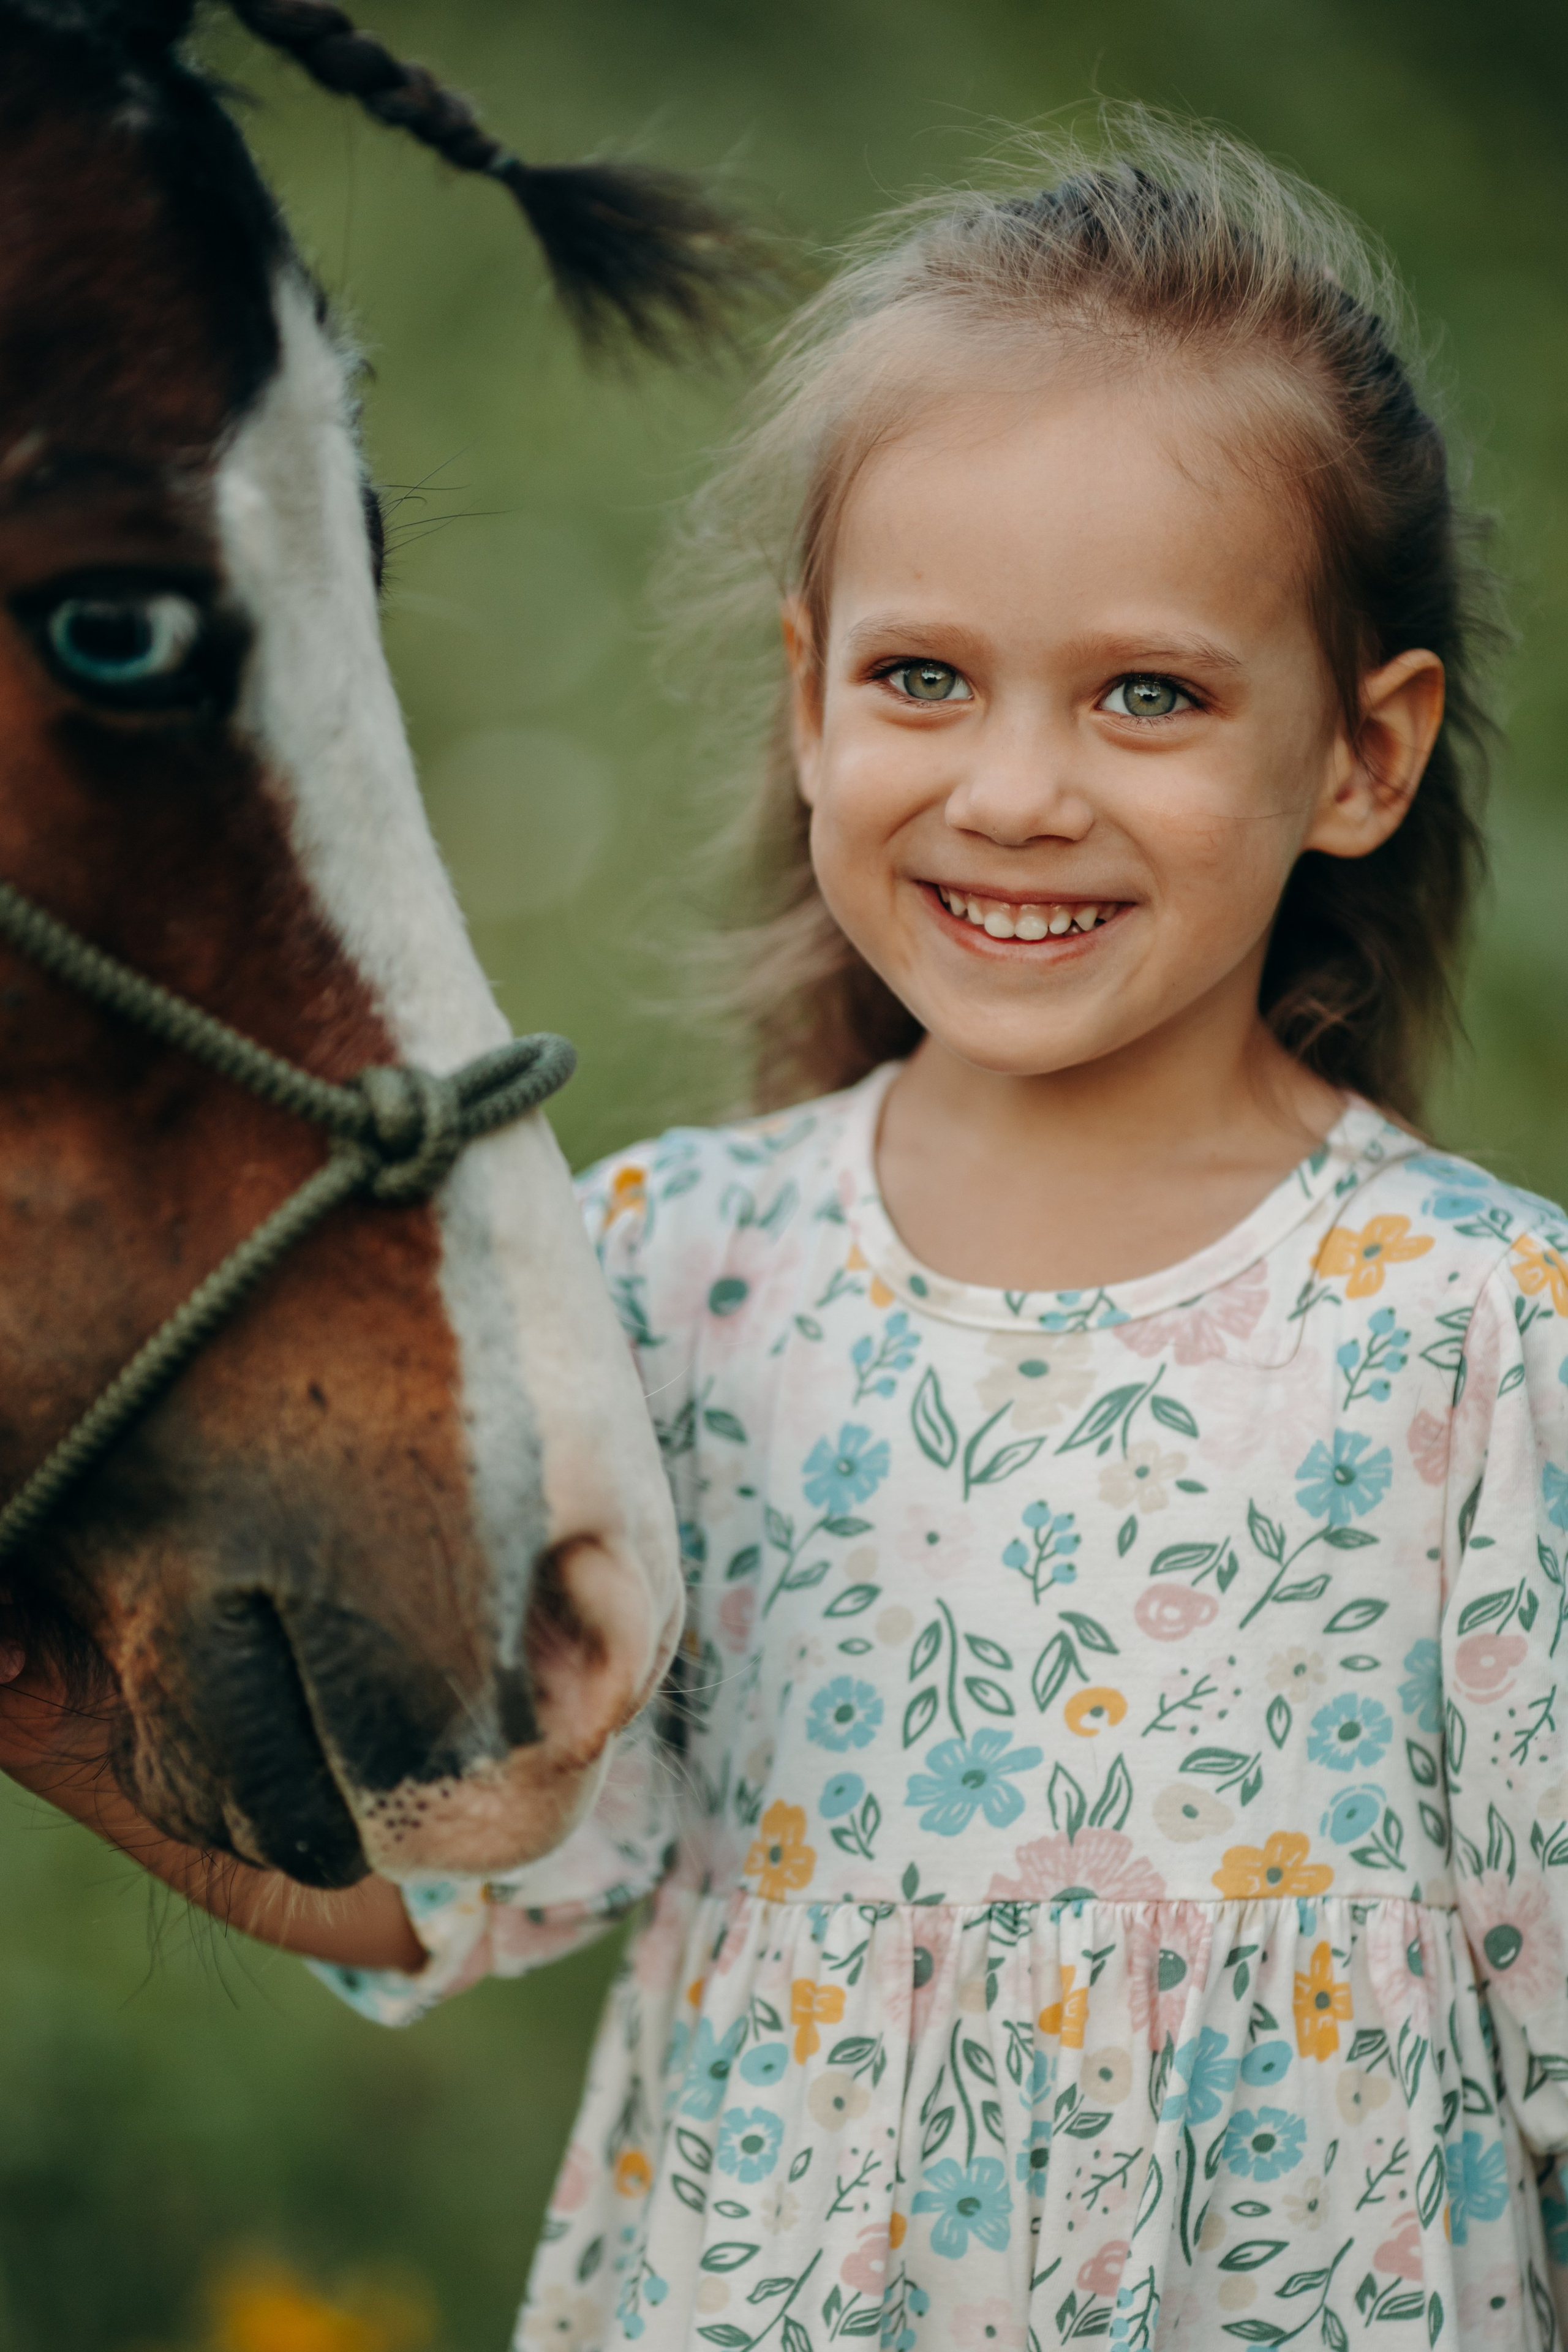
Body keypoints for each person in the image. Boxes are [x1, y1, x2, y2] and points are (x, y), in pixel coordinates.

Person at [9, 113, 1568, 2349]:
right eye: (925, 679)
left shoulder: (1480, 1339)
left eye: (1148, 695)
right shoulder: (678, 1275)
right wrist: (46, 1705)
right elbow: (493, 1864)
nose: (1016, 786)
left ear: (1363, 752)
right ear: (811, 698)